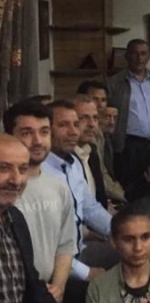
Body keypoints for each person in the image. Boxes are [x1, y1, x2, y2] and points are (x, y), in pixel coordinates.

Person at [5, 102, 76, 303]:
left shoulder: (59, 186)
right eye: (27, 133)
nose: (37, 141)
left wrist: (58, 288)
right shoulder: (7, 190)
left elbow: (66, 244)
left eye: (44, 132)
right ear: (9, 136)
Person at [42, 100, 113, 285]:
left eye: (75, 124)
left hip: (80, 250)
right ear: (46, 130)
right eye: (63, 125)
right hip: (55, 265)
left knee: (135, 252)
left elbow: (90, 208)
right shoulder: (39, 173)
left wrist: (120, 231)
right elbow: (45, 247)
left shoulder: (74, 163)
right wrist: (86, 273)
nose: (74, 132)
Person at [85, 203, 150, 303]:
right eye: (128, 239)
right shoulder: (99, 288)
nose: (138, 247)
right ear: (114, 241)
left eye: (145, 237)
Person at [0, 134, 57, 303]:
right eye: (4, 168)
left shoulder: (15, 219)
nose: (16, 180)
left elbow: (33, 287)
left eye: (23, 169)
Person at [107, 39, 150, 188]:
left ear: (149, 56)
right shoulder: (114, 83)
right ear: (127, 56)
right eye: (134, 53)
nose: (139, 58)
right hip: (130, 146)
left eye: (143, 53)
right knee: (132, 187)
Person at [72, 95, 108, 206]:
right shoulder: (63, 158)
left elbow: (100, 200)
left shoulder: (92, 153)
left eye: (95, 118)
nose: (92, 124)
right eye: (83, 118)